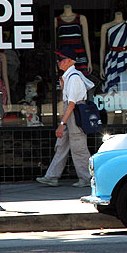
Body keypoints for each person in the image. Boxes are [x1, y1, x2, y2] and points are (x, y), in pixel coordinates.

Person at [36, 49, 94, 187]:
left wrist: (62, 124)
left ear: (70, 61)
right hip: (70, 114)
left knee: (78, 147)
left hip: (74, 115)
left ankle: (87, 178)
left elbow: (71, 105)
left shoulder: (74, 78)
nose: (58, 62)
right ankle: (52, 176)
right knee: (61, 146)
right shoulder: (68, 77)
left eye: (61, 59)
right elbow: (67, 100)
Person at [55, 5, 92, 75]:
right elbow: (54, 43)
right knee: (65, 79)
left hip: (79, 54)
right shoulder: (56, 20)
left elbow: (86, 40)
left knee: (81, 79)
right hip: (64, 55)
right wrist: (54, 62)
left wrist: (89, 60)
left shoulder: (81, 18)